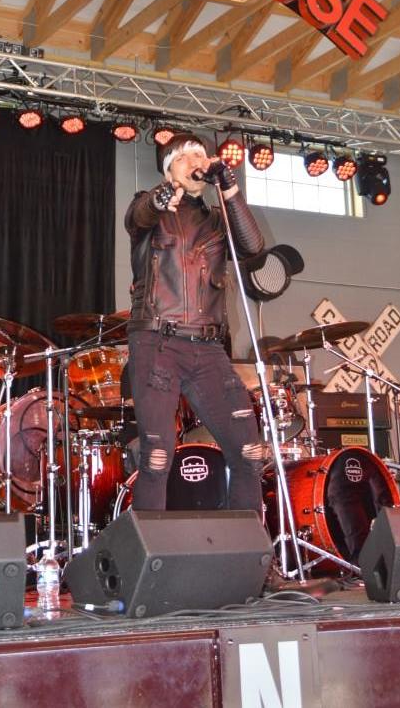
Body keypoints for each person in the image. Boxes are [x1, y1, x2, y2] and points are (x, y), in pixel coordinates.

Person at [125, 132, 266, 513]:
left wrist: (229, 188)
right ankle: (148, 549)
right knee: (157, 457)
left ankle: (246, 546)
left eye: (200, 154)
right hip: (158, 342)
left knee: (249, 452)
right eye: (184, 156)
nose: (196, 161)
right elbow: (139, 215)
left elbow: (253, 248)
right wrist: (161, 197)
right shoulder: (149, 208)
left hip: (208, 349)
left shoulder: (217, 221)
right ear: (168, 169)